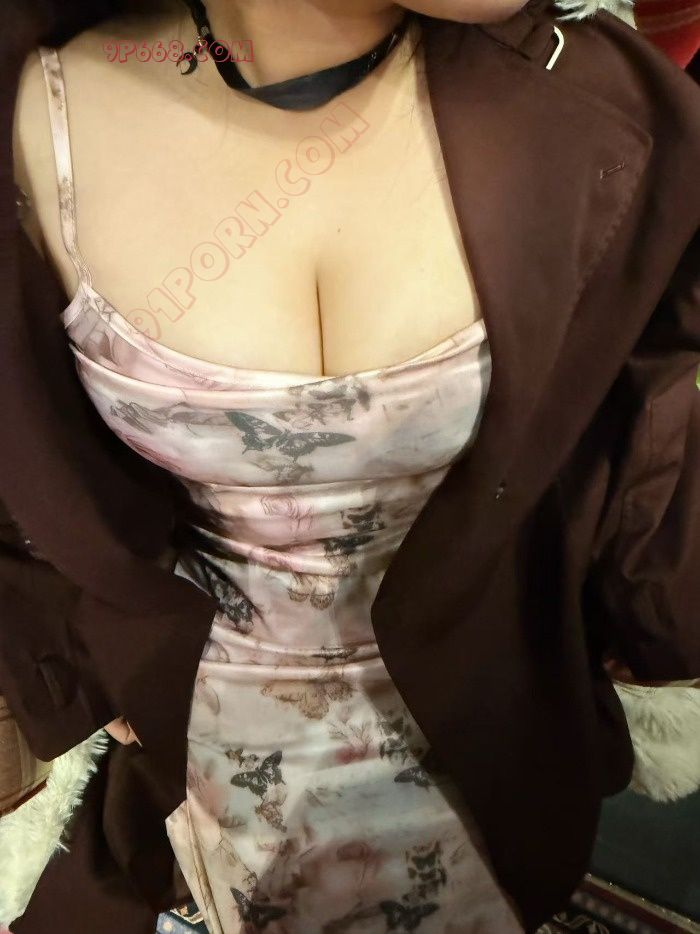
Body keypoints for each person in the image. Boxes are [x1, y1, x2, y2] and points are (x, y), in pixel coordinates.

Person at [3, 0, 699, 931]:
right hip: (184, 760)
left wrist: (660, 639)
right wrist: (73, 675)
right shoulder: (37, 110)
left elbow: (647, 441)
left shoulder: (608, 110)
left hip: (493, 736)